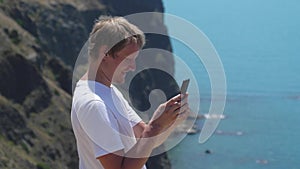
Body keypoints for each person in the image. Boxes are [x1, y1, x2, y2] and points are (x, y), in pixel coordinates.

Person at [71, 16, 190, 169]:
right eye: (128, 59)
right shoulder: (94, 104)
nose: (133, 67)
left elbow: (145, 138)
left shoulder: (108, 91)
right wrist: (155, 126)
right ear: (105, 53)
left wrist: (172, 121)